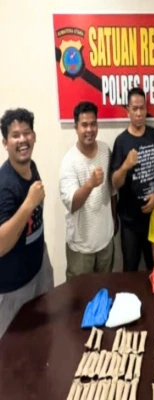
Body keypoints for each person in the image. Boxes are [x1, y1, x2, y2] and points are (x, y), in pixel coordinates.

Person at [0, 108, 54, 339]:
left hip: (39, 267)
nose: (22, 139)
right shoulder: (4, 185)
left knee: (44, 337)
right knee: (15, 349)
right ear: (5, 142)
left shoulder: (31, 167)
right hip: (14, 287)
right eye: (15, 135)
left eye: (26, 133)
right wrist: (28, 204)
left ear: (34, 136)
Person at [111, 87, 154, 271]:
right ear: (127, 111)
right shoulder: (121, 141)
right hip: (130, 221)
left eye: (142, 108)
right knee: (130, 270)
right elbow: (115, 183)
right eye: (134, 109)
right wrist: (125, 166)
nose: (138, 113)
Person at [59, 101, 118, 280]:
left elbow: (112, 191)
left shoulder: (105, 150)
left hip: (105, 241)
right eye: (84, 125)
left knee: (104, 289)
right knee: (79, 294)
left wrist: (114, 219)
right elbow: (72, 203)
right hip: (81, 248)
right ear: (76, 128)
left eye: (93, 124)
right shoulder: (69, 161)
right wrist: (90, 184)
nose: (89, 129)